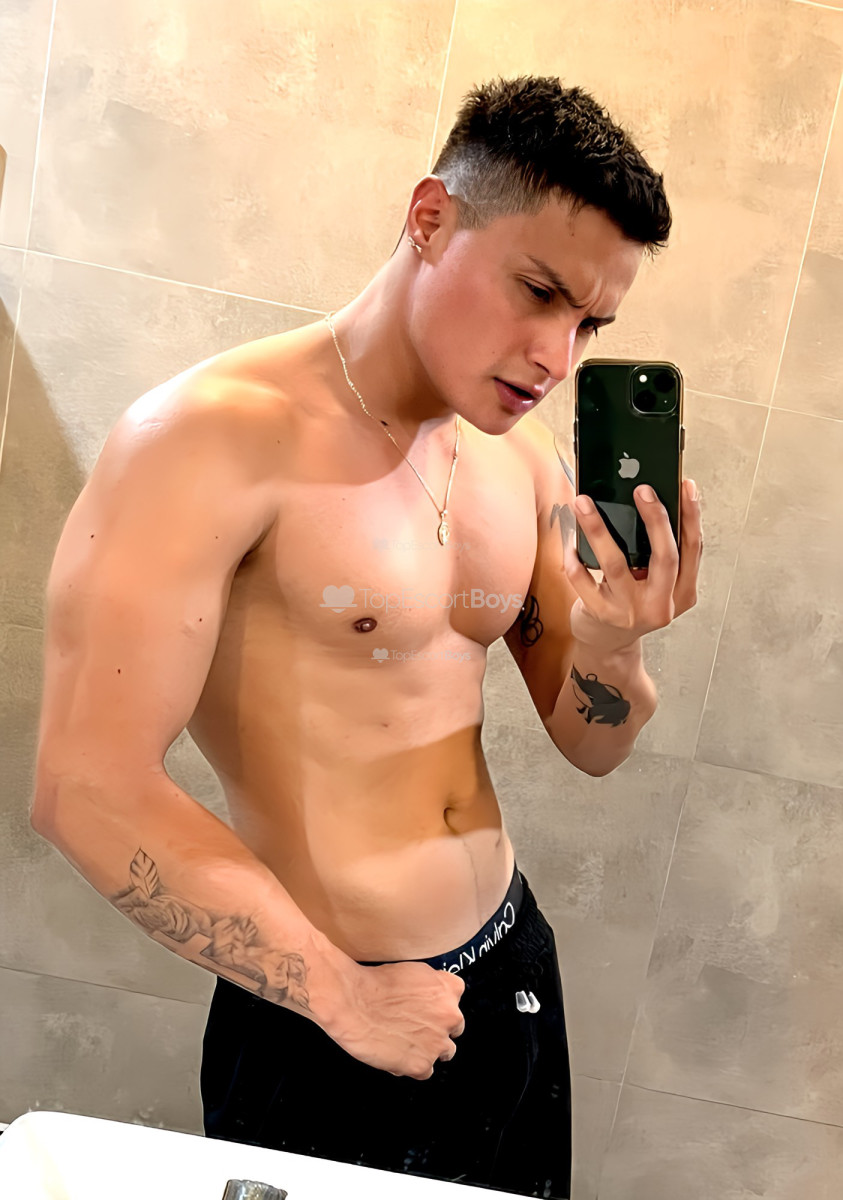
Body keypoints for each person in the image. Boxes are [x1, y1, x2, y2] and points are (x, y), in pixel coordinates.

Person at [32, 76, 702, 1198]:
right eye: (538, 291)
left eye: (589, 324)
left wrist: (616, 641)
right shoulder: (207, 441)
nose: (556, 355)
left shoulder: (521, 458)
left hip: (510, 967)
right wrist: (340, 994)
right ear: (430, 218)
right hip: (327, 1012)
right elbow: (84, 785)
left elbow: (593, 744)